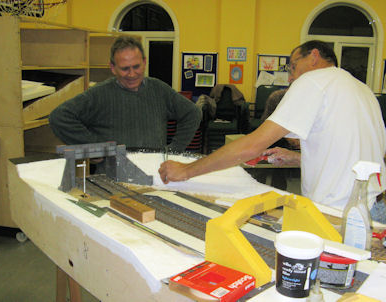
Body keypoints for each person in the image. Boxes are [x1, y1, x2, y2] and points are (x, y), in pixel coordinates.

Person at [159, 40, 386, 223]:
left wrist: (187, 170)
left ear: (314, 56)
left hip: (338, 213)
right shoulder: (362, 89)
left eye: (293, 67)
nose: (291, 77)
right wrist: (299, 158)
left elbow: (252, 145)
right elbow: (357, 154)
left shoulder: (314, 81)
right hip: (373, 210)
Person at [49, 36, 202, 153]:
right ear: (112, 68)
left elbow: (192, 113)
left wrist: (174, 151)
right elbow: (59, 117)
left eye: (136, 66)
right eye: (124, 68)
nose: (132, 74)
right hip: (113, 176)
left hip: (154, 172)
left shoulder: (159, 89)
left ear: (144, 62)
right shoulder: (99, 94)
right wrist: (96, 147)